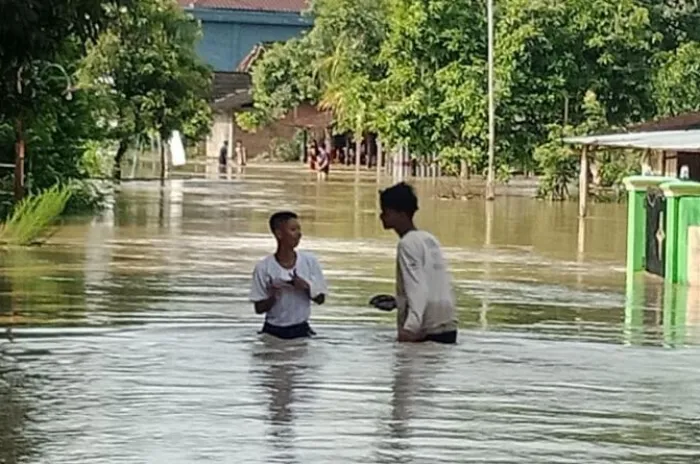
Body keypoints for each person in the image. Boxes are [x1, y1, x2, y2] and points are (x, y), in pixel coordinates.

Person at [379, 182, 458, 344]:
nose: (381, 216)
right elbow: (434, 284)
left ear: (401, 213)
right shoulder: (429, 239)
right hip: (447, 325)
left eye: (385, 211)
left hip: (425, 331)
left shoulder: (407, 244)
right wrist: (399, 302)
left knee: (409, 369)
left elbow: (418, 289)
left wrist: (409, 329)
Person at [249, 211, 328, 339]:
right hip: (272, 331)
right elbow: (258, 309)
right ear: (279, 234)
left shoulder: (310, 261)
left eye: (299, 229)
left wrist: (305, 287)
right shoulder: (263, 267)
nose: (299, 234)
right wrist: (273, 296)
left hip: (301, 329)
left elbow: (321, 299)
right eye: (293, 229)